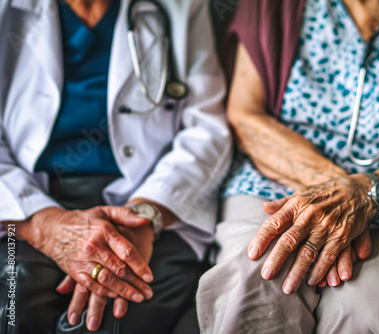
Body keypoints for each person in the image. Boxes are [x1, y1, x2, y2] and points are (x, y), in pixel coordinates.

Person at [196, 0, 379, 333]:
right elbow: (246, 116)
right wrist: (345, 194)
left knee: (368, 309)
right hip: (277, 183)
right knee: (256, 280)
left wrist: (368, 193)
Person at [0, 0, 230, 333]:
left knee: (127, 311)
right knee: (16, 303)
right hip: (21, 202)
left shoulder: (181, 6)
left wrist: (146, 216)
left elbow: (207, 129)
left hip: (150, 199)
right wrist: (44, 224)